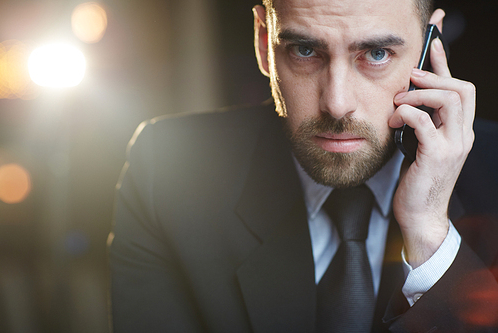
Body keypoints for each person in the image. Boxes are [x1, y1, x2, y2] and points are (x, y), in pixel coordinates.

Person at [109, 0, 498, 331]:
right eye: (305, 51)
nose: (337, 102)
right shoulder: (165, 171)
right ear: (264, 43)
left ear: (432, 47)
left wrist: (430, 234)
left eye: (377, 54)